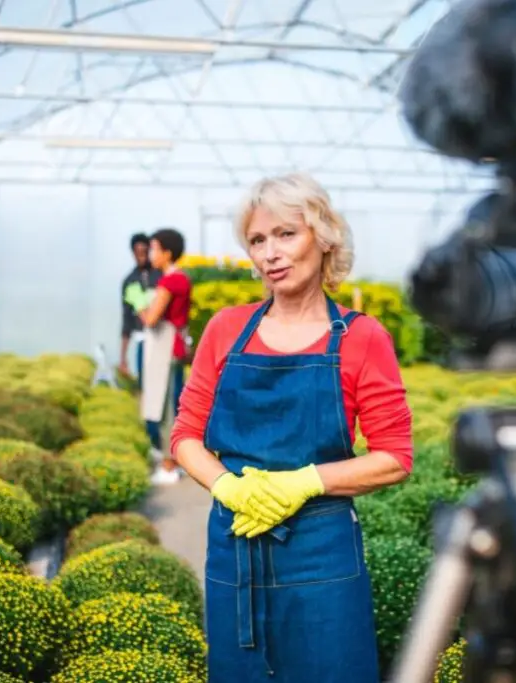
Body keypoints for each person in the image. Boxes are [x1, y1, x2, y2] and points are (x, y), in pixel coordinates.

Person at [170, 172, 413, 682]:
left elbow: (394, 457)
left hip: (321, 555)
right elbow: (185, 434)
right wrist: (228, 487)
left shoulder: (361, 338)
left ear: (323, 239)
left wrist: (303, 481)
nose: (270, 253)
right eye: (258, 240)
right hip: (235, 547)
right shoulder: (226, 329)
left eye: (286, 234)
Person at [138, 227, 193, 486]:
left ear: (167, 253)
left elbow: (151, 318)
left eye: (154, 249)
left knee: (165, 404)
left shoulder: (169, 281)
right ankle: (172, 463)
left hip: (165, 346)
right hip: (174, 345)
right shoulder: (181, 278)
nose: (151, 254)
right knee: (172, 401)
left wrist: (138, 304)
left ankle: (169, 466)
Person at [119, 232, 160, 379]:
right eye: (137, 253)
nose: (141, 256)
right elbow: (126, 319)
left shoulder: (160, 276)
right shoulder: (130, 282)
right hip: (143, 338)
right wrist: (123, 357)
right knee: (145, 382)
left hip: (161, 338)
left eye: (144, 252)